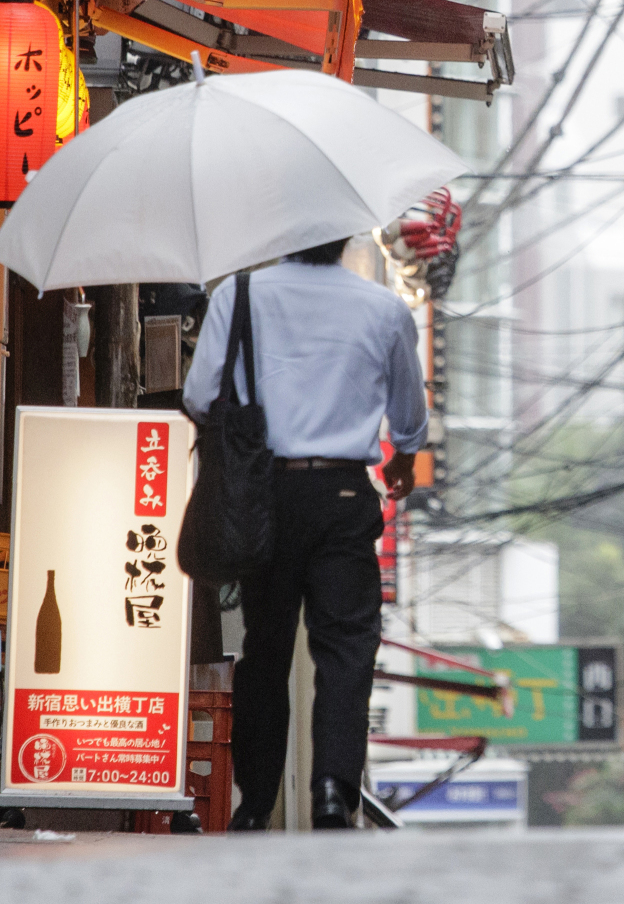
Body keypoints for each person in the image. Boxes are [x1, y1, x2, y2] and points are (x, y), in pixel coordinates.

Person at [183, 235, 426, 831]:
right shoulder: (384, 308)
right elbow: (410, 418)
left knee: (265, 651)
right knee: (345, 648)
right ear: (345, 239)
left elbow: (196, 396)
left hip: (264, 495)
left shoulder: (237, 294)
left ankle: (256, 803)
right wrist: (401, 458)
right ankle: (332, 791)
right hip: (344, 497)